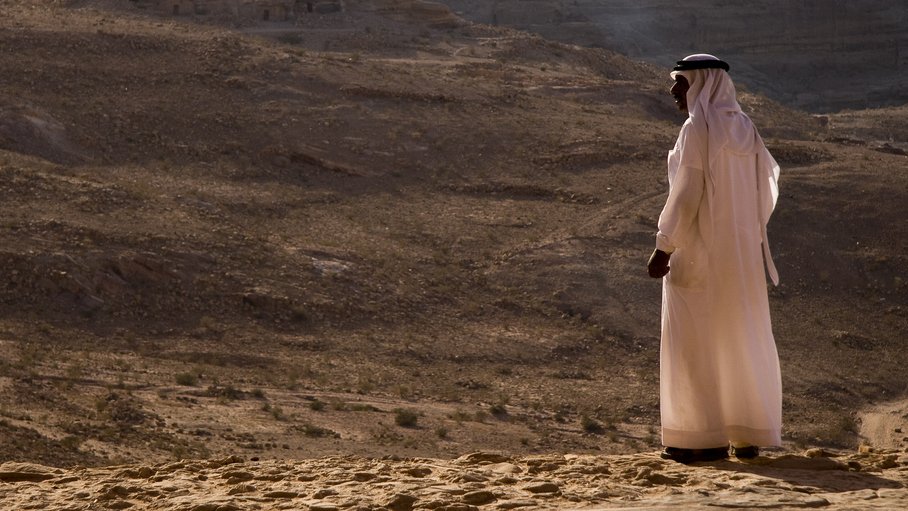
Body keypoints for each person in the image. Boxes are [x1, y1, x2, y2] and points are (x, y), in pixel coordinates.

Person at [646, 54, 783, 463]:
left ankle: (699, 439)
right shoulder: (744, 129)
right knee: (737, 340)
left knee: (695, 345)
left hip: (699, 255)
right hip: (739, 259)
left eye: (681, 83)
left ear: (702, 84)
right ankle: (745, 434)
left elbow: (686, 194)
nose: (674, 90)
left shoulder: (698, 129)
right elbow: (764, 190)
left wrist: (664, 246)